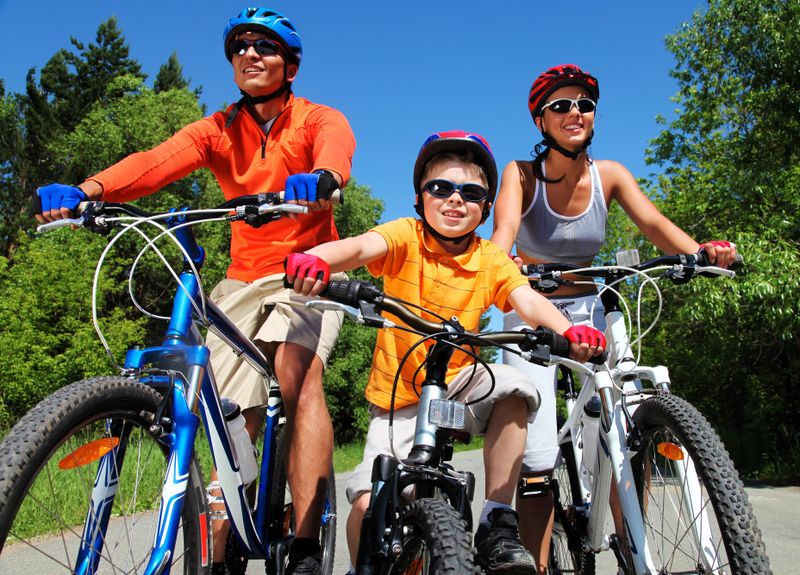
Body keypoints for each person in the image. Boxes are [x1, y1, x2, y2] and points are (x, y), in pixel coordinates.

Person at [34, 7, 356, 574]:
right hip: (242, 279)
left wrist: (324, 178)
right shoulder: (219, 128)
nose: (250, 55)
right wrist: (89, 190)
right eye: (240, 47)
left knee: (296, 377)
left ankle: (305, 541)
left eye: (265, 46)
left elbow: (336, 147)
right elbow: (158, 161)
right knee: (227, 407)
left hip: (308, 270)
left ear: (291, 64)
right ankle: (224, 528)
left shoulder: (314, 118)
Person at [285, 131, 606, 575]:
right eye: (441, 188)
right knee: (366, 503)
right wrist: (317, 258)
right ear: (420, 197)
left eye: (471, 194)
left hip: (460, 381)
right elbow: (359, 248)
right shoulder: (406, 235)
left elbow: (527, 300)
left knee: (517, 387)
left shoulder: (490, 258)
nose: (455, 200)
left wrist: (570, 331)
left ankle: (497, 518)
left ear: (486, 207)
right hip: (402, 398)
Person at [490, 63, 737, 573]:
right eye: (561, 105)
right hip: (534, 309)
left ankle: (633, 552)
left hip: (595, 307)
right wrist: (499, 266)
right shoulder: (520, 175)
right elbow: (503, 233)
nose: (575, 112)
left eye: (584, 104)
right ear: (541, 121)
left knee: (627, 419)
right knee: (536, 453)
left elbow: (655, 224)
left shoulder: (613, 175)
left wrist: (703, 253)